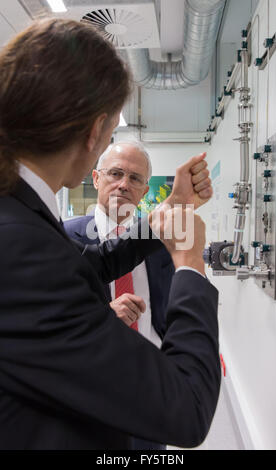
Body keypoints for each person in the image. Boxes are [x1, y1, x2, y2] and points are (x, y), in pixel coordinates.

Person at [0, 18, 220, 450]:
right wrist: (191, 264)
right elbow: (186, 410)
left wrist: (163, 217)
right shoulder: (21, 244)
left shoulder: (17, 214)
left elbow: (77, 267)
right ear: (93, 132)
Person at [64, 141, 176, 450]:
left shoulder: (162, 242)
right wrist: (100, 317)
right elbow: (47, 317)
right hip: (90, 387)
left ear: (143, 191)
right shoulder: (61, 237)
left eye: (135, 179)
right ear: (97, 179)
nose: (124, 184)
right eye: (116, 173)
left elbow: (174, 310)